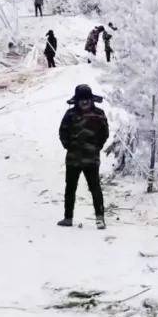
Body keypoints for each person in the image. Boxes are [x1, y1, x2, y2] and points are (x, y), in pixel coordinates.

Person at [57, 84, 108, 229]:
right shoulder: (70, 114)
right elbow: (63, 132)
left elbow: (105, 133)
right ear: (77, 100)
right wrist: (69, 146)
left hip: (92, 159)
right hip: (73, 158)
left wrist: (97, 147)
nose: (84, 102)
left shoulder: (99, 113)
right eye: (81, 99)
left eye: (87, 99)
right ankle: (68, 218)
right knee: (70, 188)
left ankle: (100, 218)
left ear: (91, 99)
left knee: (95, 188)